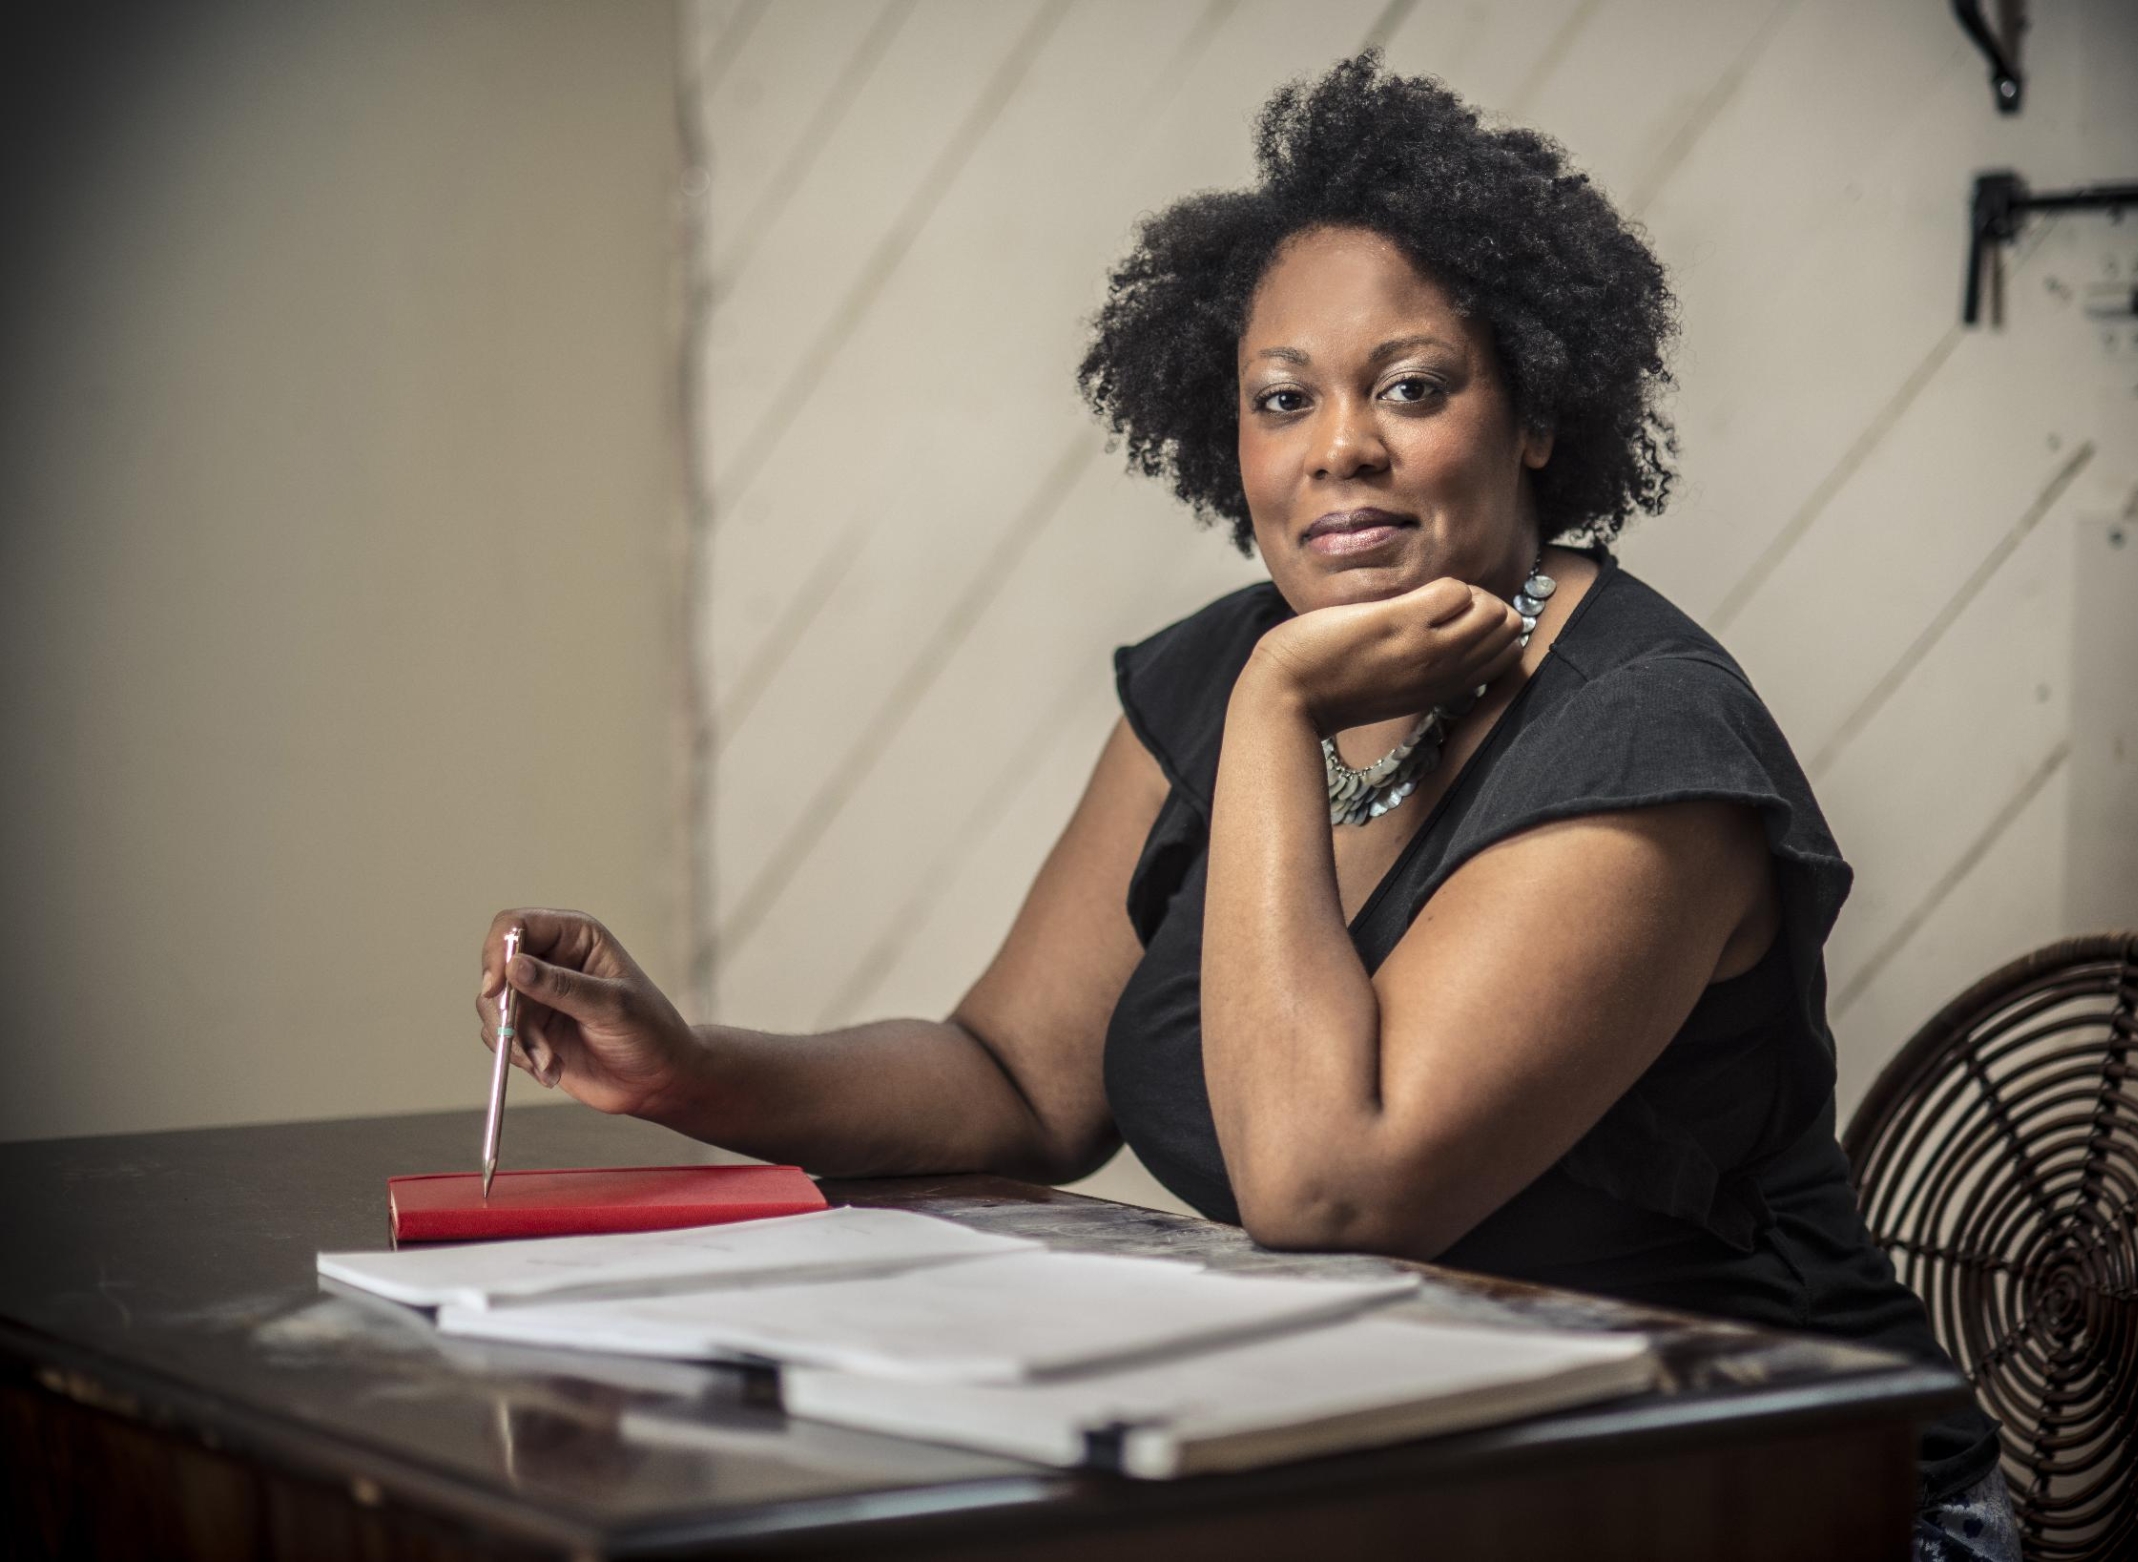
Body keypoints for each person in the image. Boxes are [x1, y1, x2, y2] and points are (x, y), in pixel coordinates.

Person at [478, 53, 2016, 1561]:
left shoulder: (1641, 741)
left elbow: (1328, 1185)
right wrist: (685, 1066)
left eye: (1412, 387)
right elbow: (1016, 1078)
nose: (1339, 443)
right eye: (1283, 399)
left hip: (1790, 1498)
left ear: (1535, 412)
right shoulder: (1219, 663)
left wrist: (1280, 709)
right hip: (1427, 1477)